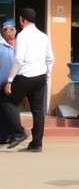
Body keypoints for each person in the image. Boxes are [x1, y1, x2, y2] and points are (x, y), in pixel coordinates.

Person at [0, 8, 54, 152]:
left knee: (7, 102)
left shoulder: (23, 36)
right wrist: (46, 75)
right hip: (41, 77)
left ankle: (19, 132)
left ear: (22, 20)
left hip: (25, 77)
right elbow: (50, 58)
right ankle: (37, 144)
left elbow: (18, 60)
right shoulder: (44, 36)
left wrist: (10, 80)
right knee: (38, 111)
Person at [0, 19, 16, 144]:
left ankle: (12, 134)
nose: (9, 32)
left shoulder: (19, 45)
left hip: (14, 84)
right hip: (1, 83)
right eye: (6, 30)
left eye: (11, 30)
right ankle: (3, 136)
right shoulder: (0, 45)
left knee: (10, 110)